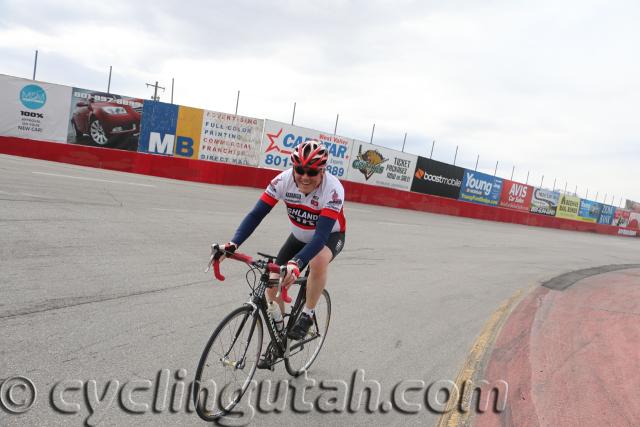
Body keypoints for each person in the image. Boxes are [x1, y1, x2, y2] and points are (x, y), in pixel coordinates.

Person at [218, 140, 346, 369]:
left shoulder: (333, 190)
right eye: (300, 170)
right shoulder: (282, 181)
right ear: (293, 168)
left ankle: (308, 313)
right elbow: (256, 214)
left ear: (323, 171)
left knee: (317, 261)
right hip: (298, 236)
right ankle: (280, 339)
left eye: (312, 172)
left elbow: (319, 238)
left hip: (328, 237)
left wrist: (297, 263)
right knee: (272, 281)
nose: (305, 177)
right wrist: (233, 243)